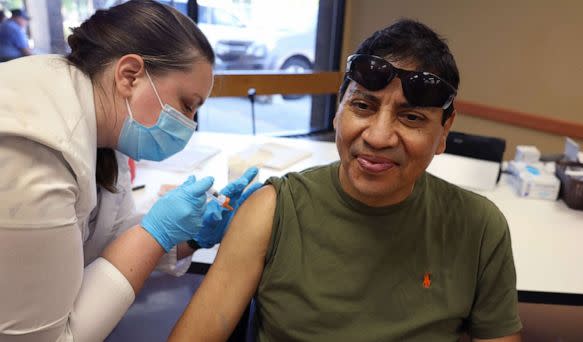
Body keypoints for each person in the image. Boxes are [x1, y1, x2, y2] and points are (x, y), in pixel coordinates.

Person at [170, 19, 523, 341]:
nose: (379, 136)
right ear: (338, 111)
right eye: (363, 107)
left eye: (411, 117)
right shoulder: (273, 210)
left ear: (444, 132)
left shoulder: (478, 229)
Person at [0, 1, 259, 341]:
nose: (190, 125)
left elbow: (108, 237)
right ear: (129, 75)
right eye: (187, 104)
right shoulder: (34, 147)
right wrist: (155, 232)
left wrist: (190, 238)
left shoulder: (105, 126)